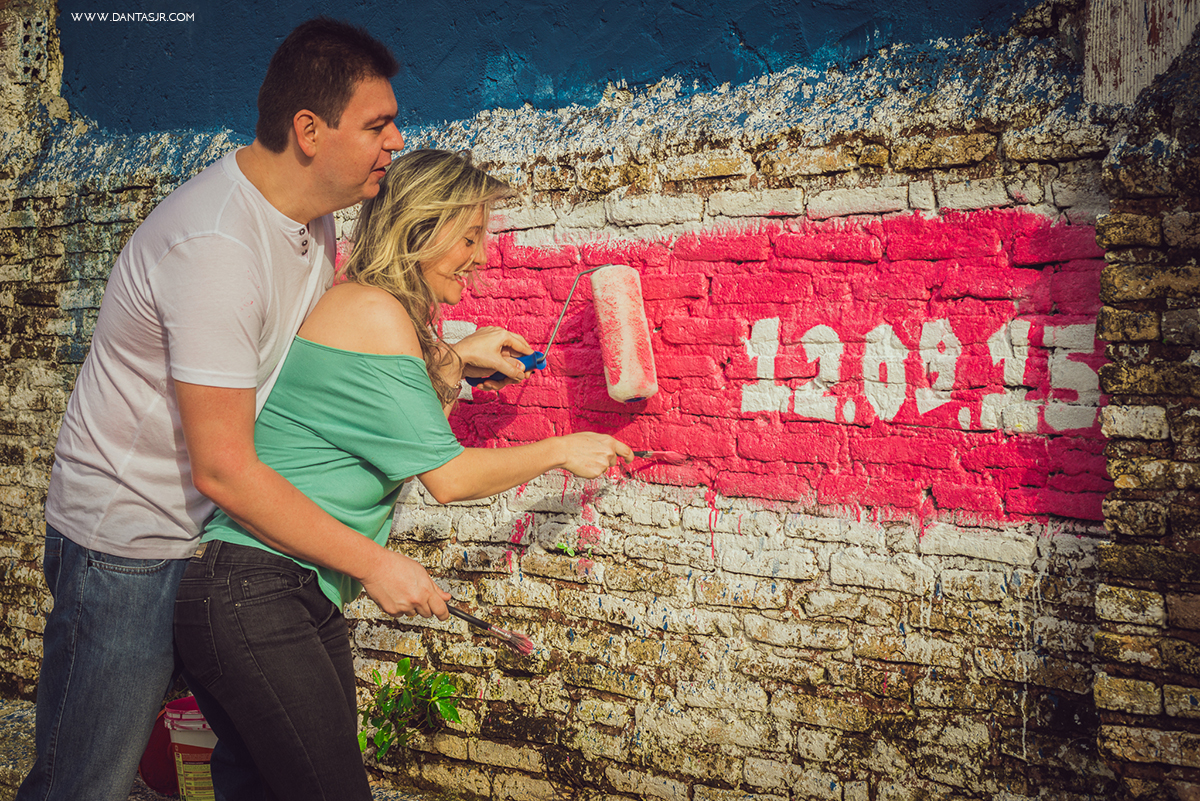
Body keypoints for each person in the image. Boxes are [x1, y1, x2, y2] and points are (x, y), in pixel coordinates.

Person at [21, 19, 527, 801]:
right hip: (129, 540)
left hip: (218, 541)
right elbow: (227, 466)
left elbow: (311, 375)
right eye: (377, 124)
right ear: (308, 130)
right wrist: (376, 562)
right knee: (87, 780)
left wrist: (452, 357)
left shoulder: (307, 228)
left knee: (253, 775)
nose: (396, 140)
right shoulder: (217, 247)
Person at [173, 149, 633, 801]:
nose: (480, 255)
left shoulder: (377, 312)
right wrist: (561, 449)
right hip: (258, 590)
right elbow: (445, 475)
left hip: (280, 589)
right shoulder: (374, 311)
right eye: (468, 236)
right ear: (421, 228)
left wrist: (453, 360)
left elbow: (402, 433)